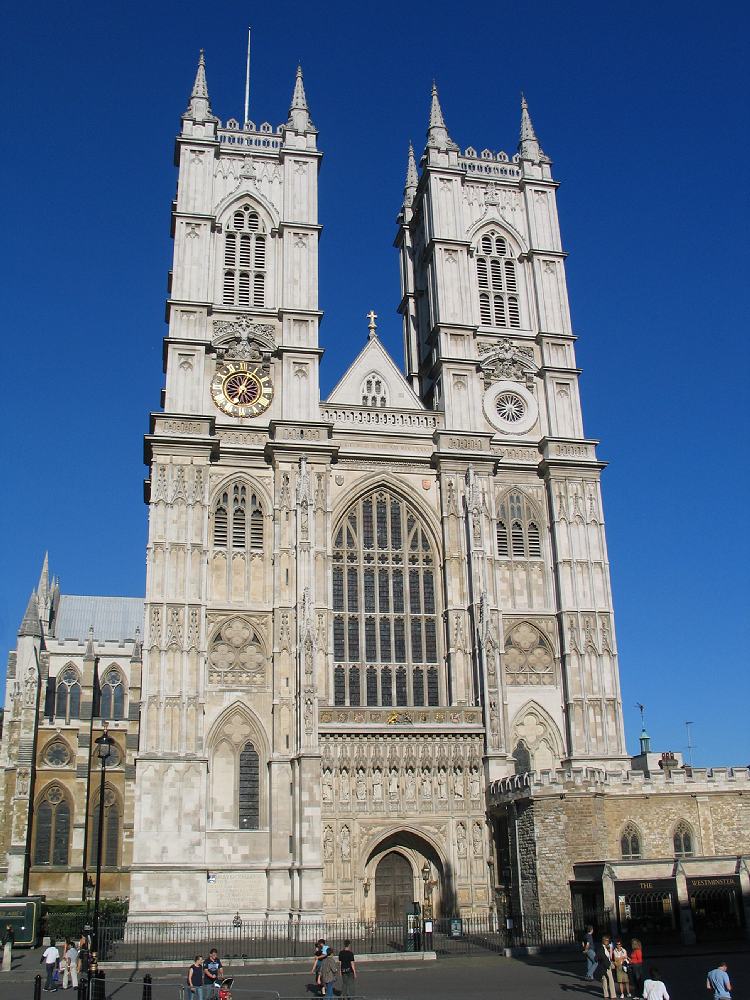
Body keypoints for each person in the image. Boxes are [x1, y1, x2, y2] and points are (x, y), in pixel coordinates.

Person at [595, 934, 616, 999]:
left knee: (609, 980)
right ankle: (607, 995)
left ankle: (612, 995)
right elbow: (596, 958)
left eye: (608, 940)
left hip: (607, 965)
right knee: (605, 980)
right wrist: (601, 959)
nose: (608, 941)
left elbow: (610, 956)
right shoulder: (601, 948)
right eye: (606, 940)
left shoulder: (609, 947)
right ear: (603, 941)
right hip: (604, 966)